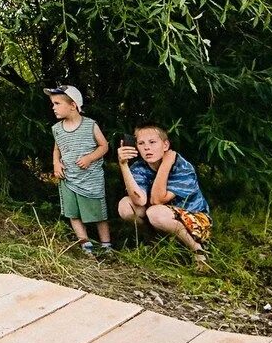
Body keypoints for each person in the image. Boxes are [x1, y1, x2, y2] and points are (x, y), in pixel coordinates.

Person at [117, 124, 212, 271]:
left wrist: (166, 164)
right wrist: (123, 165)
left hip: (195, 219)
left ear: (165, 144)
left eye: (152, 142)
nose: (147, 148)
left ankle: (198, 250)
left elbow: (157, 200)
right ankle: (154, 242)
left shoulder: (182, 167)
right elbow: (139, 200)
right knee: (125, 206)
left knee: (155, 212)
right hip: (161, 215)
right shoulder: (139, 167)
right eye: (141, 143)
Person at [46, 85, 112, 256]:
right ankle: (85, 243)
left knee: (98, 212)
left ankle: (106, 245)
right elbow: (57, 149)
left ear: (73, 105)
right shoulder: (57, 129)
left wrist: (90, 158)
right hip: (68, 177)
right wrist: (56, 163)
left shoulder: (90, 125)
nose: (53, 107)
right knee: (72, 212)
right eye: (53, 104)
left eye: (57, 103)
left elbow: (104, 146)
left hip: (90, 178)